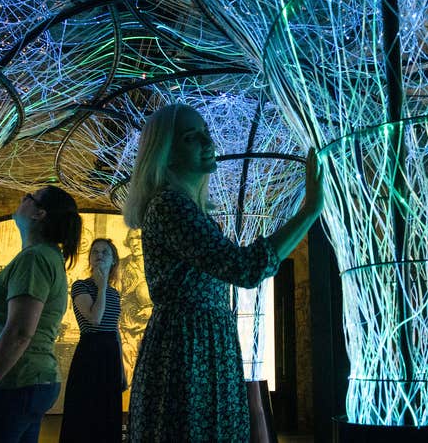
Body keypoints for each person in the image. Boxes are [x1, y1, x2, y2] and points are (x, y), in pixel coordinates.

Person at [122, 104, 324, 441]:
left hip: (203, 343)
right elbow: (244, 268)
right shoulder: (169, 205)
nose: (206, 141)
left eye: (205, 133)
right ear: (166, 153)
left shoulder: (187, 208)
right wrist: (309, 210)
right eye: (191, 137)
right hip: (188, 348)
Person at [0, 186, 82, 443]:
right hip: (27, 382)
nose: (21, 198)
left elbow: (19, 333)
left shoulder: (35, 259)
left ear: (40, 214)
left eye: (29, 197)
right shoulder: (47, 257)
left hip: (13, 384)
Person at [59, 238, 124, 442]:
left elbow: (115, 331)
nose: (99, 255)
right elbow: (94, 319)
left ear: (113, 260)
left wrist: (122, 370)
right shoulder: (81, 286)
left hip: (110, 354)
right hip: (90, 352)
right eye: (95, 251)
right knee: (85, 412)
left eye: (105, 252)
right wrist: (102, 287)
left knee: (108, 412)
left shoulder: (115, 294)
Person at [116, 228, 152, 385]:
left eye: (139, 238)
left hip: (152, 325)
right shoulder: (122, 265)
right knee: (128, 368)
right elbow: (116, 294)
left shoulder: (156, 263)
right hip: (127, 325)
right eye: (132, 239)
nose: (136, 243)